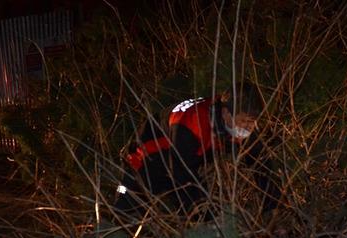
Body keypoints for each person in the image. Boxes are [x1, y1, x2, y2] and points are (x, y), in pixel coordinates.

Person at [114, 82, 278, 216]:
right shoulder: (193, 124)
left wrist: (274, 207)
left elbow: (261, 165)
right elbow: (182, 175)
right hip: (145, 158)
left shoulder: (235, 121)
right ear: (226, 113)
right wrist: (205, 215)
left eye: (254, 121)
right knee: (124, 211)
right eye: (246, 121)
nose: (250, 127)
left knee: (194, 210)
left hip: (181, 162)